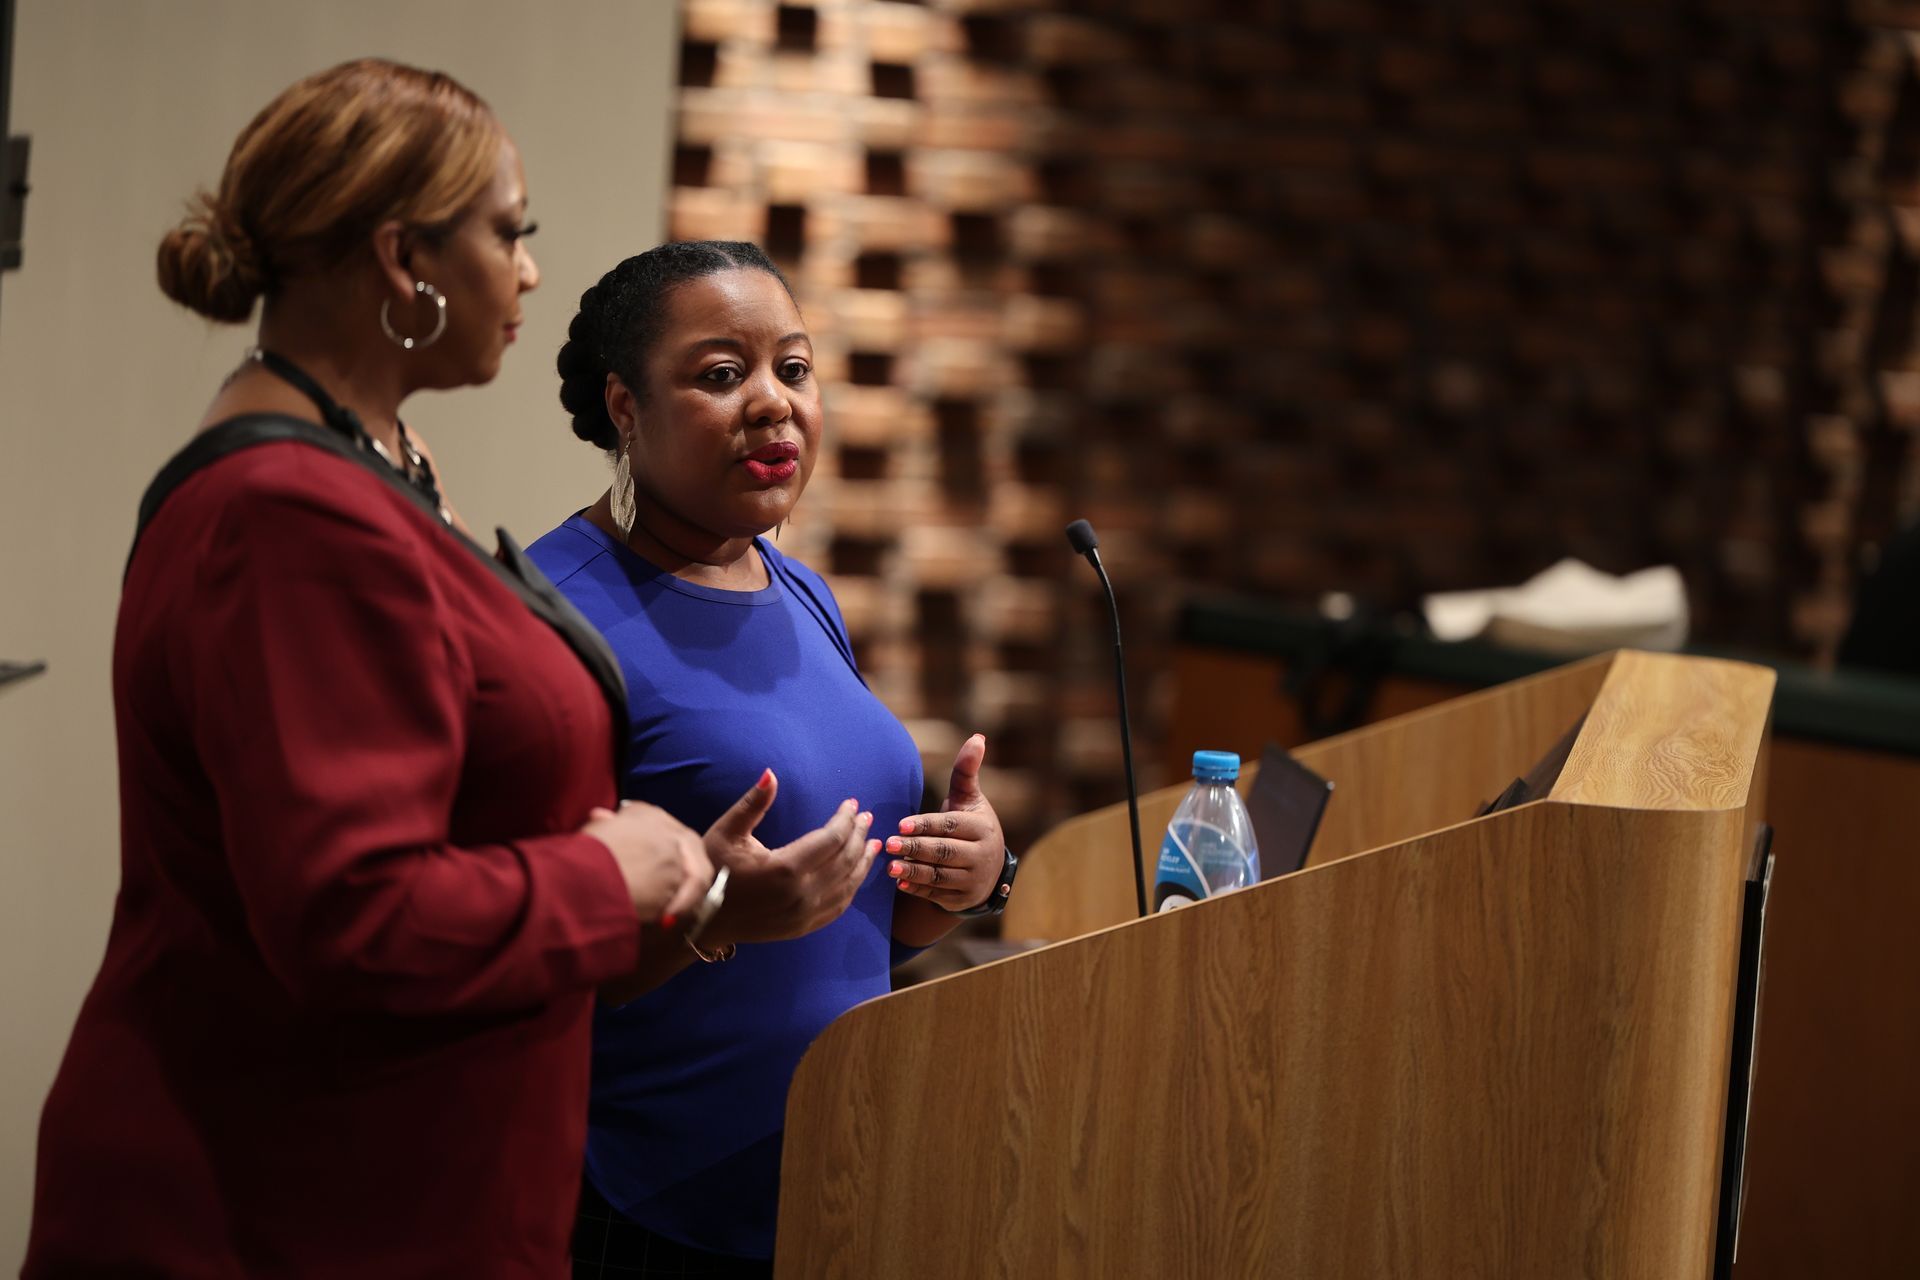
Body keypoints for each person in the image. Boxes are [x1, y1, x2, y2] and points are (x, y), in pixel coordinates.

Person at [24, 63, 872, 1278]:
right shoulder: (288, 510)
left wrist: (698, 902)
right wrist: (608, 868)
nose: (529, 270)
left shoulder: (376, 463)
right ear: (402, 259)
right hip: (273, 1204)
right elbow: (351, 911)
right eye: (508, 232)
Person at [530, 241, 1019, 1274]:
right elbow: (523, 943)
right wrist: (709, 912)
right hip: (646, 1196)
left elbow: (842, 927)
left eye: (793, 369)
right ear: (624, 406)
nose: (773, 404)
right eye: (720, 375)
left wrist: (958, 875)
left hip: (833, 1179)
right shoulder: (552, 610)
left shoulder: (797, 589)